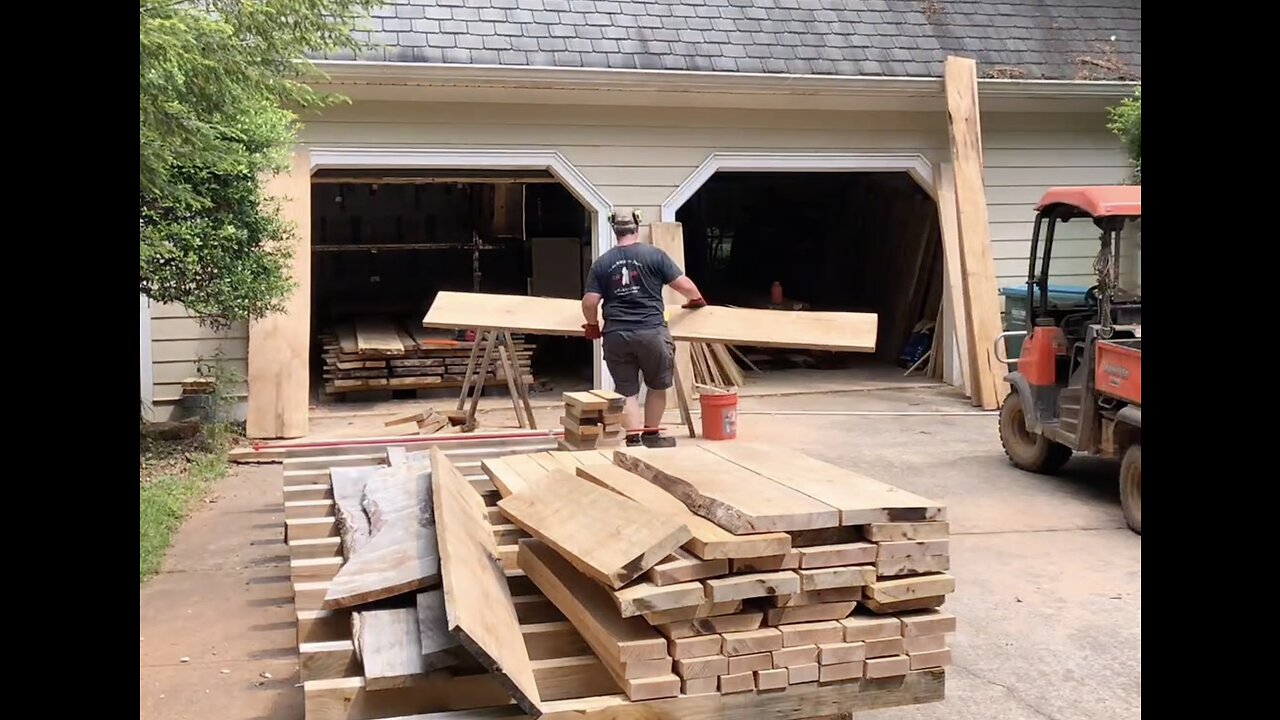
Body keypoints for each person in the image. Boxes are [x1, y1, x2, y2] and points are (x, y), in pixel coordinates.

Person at [581, 209, 706, 448]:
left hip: (616, 335)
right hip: (651, 332)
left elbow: (589, 302)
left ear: (614, 230)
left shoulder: (602, 263)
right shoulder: (655, 256)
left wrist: (592, 325)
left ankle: (633, 438)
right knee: (657, 386)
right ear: (637, 227)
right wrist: (696, 301)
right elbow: (685, 286)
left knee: (626, 389)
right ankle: (651, 436)